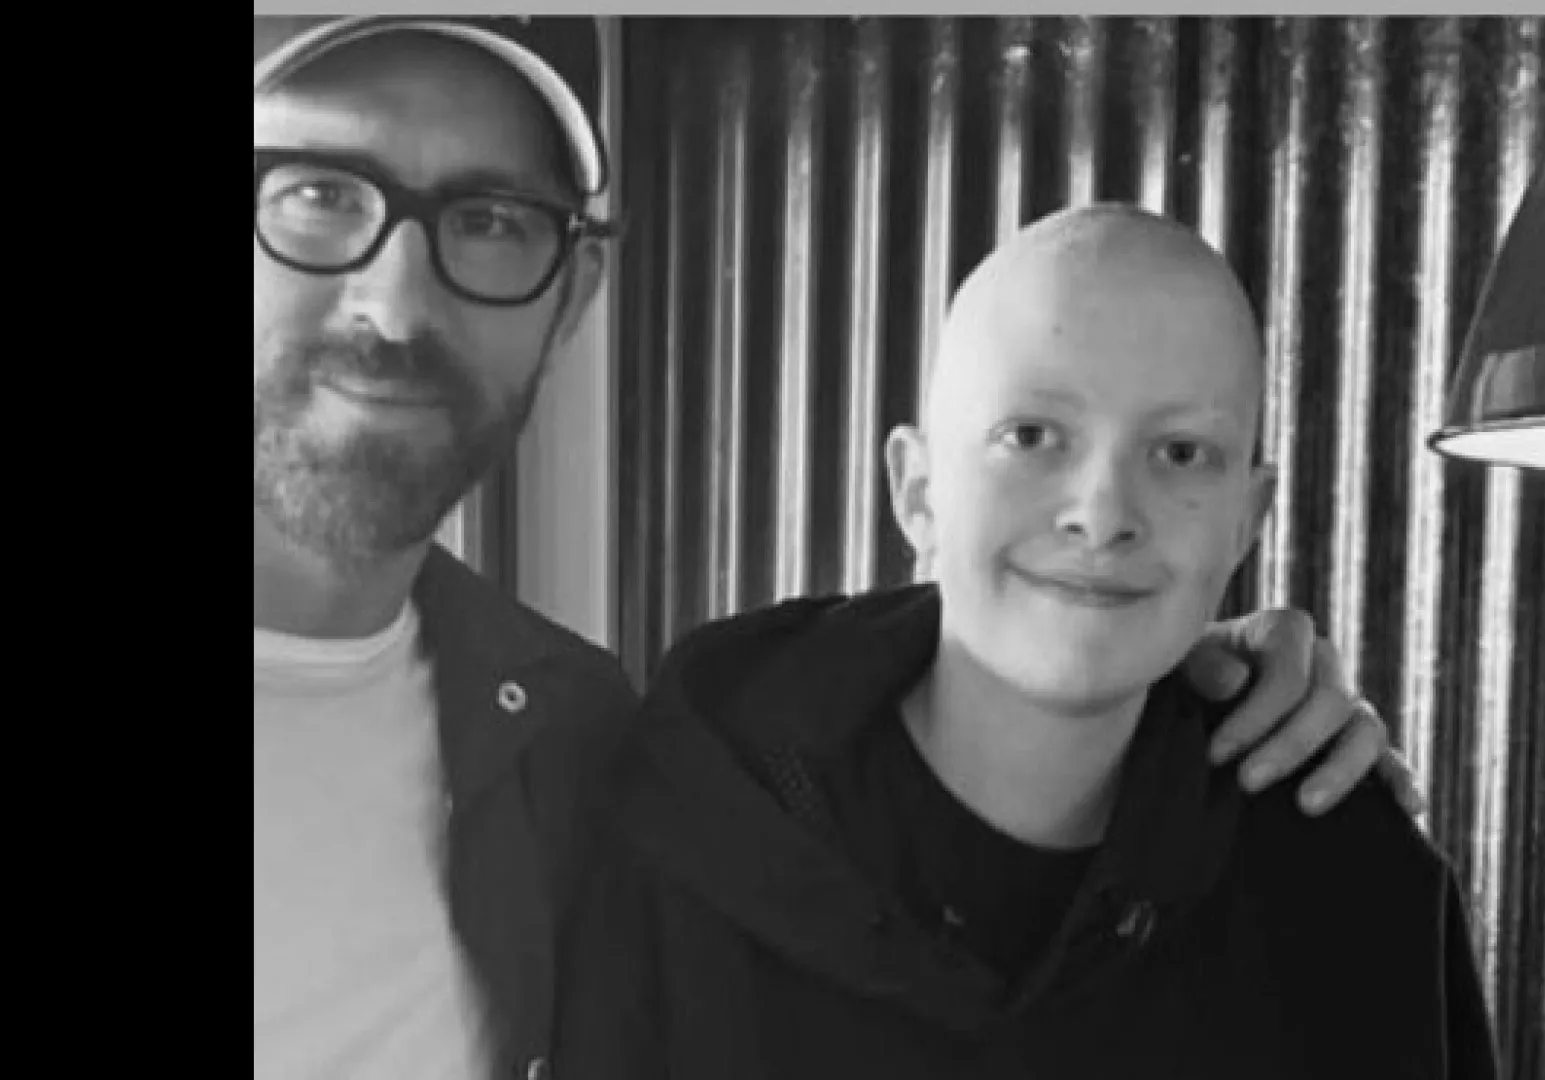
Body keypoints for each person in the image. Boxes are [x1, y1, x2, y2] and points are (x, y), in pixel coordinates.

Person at [253, 16, 1423, 1080]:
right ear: (916, 486)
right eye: (315, 193)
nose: (392, 303)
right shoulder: (676, 794)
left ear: (573, 292)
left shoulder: (564, 735)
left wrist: (1192, 664)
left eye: (491, 221)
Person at [553, 204, 1499, 1079]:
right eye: (1033, 434)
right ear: (918, 489)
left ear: (1247, 521)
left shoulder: (1350, 886)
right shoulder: (686, 831)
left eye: (1180, 453)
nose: (1103, 512)